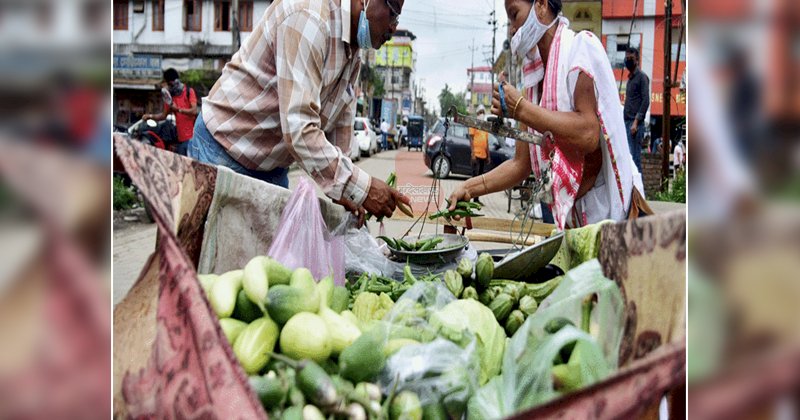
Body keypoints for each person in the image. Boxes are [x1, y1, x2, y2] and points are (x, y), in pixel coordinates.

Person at [188, 0, 408, 221]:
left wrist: (348, 190)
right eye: (393, 14)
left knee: (267, 255)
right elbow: (299, 128)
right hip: (223, 151)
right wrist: (364, 188)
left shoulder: (353, 53)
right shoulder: (310, 16)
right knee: (206, 252)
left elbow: (341, 126)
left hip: (271, 169)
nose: (393, 27)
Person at [448, 0, 644, 229]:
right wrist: (469, 188)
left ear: (540, 5)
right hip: (572, 220)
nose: (512, 29)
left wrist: (520, 109)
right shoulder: (532, 84)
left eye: (514, 15)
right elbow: (520, 165)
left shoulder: (579, 48)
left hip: (606, 215)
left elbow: (589, 133)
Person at [143, 68, 198, 156]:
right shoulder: (170, 98)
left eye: (166, 82)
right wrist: (150, 116)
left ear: (171, 82)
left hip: (192, 139)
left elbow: (194, 111)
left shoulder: (189, 91)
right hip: (180, 140)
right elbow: (163, 115)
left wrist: (178, 109)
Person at [623, 46, 650, 173]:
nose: (628, 60)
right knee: (628, 161)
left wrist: (636, 122)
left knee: (635, 161)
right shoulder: (630, 79)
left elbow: (645, 101)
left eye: (631, 58)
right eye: (626, 58)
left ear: (637, 60)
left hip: (635, 126)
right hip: (627, 122)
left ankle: (639, 191)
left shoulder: (642, 77)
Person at [468, 106, 490, 204]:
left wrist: (488, 155)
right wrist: (472, 153)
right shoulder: (474, 124)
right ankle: (470, 197)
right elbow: (471, 139)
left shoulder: (485, 126)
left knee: (480, 179)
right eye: (480, 112)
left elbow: (487, 141)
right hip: (476, 155)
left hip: (483, 155)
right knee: (474, 178)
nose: (481, 114)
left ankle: (476, 199)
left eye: (482, 112)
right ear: (477, 114)